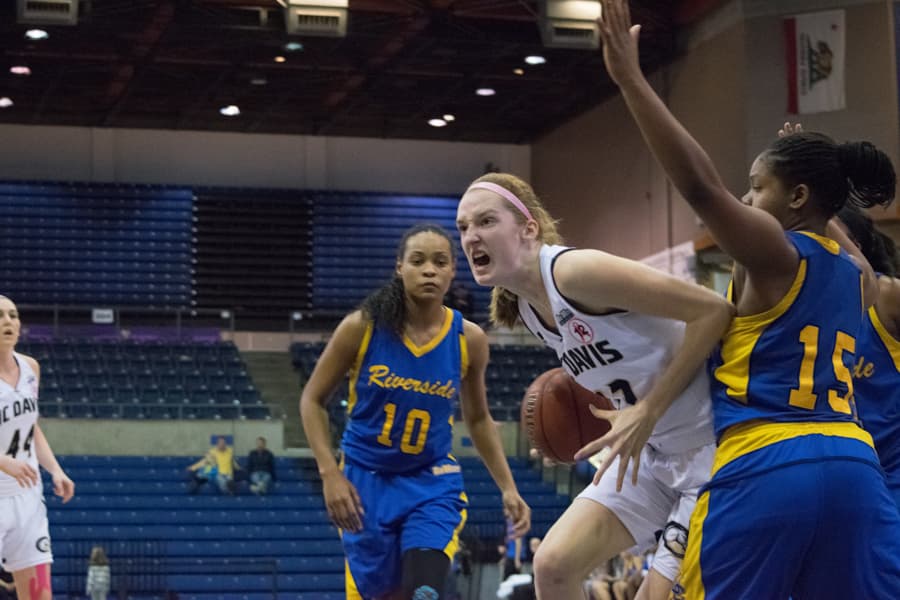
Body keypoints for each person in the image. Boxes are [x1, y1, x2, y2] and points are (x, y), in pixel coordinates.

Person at [596, 1, 900, 597]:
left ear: (797, 199)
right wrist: (814, 179)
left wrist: (631, 82)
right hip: (854, 469)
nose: (746, 198)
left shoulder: (777, 251)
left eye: (758, 187)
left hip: (765, 461)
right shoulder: (857, 274)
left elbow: (699, 186)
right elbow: (833, 227)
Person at [456, 170, 734, 598]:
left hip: (709, 452)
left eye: (485, 221)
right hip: (648, 454)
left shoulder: (576, 272)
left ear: (528, 228)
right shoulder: (529, 309)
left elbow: (715, 311)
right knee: (552, 565)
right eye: (463, 227)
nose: (471, 236)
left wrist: (649, 408)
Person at [300, 223, 532, 600]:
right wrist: (329, 474)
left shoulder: (469, 339)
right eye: (418, 261)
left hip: (431, 482)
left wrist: (508, 487)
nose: (429, 270)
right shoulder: (361, 327)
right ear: (399, 267)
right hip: (365, 483)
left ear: (453, 270)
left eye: (440, 262)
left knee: (423, 592)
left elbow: (476, 419)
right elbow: (311, 400)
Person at [0, 295, 75, 600]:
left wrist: (56, 470)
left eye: (13, 315)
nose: (8, 321)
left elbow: (31, 426)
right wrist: (3, 461)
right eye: (0, 315)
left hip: (27, 495)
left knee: (39, 596)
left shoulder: (31, 367)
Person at [836, 203, 900, 509]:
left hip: (893, 467)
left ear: (854, 247)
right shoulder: (807, 303)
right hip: (848, 472)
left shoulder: (887, 295)